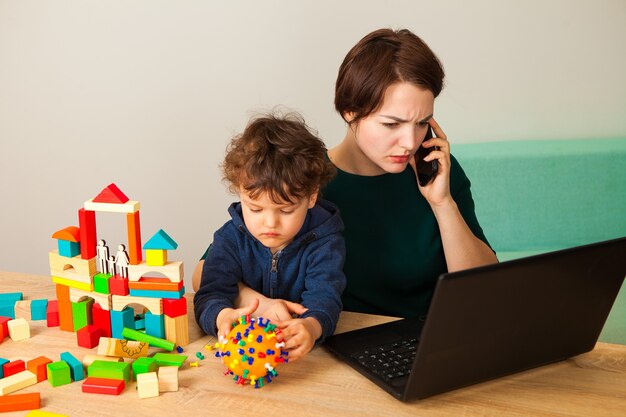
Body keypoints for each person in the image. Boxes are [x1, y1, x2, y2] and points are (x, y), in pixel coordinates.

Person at [194, 28, 497, 322]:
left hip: (427, 346)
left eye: (422, 123)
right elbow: (203, 274)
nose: (410, 142)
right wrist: (258, 304)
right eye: (392, 124)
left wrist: (442, 203)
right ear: (350, 111)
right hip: (337, 348)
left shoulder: (439, 172)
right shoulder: (303, 180)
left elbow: (483, 288)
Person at [193, 112, 346, 361]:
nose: (270, 223)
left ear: (312, 196)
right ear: (240, 193)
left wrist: (311, 327)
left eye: (286, 210)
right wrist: (221, 317)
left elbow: (325, 299)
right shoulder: (230, 238)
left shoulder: (324, 242)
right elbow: (210, 294)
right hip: (246, 351)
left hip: (297, 359)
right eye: (255, 209)